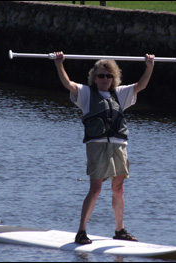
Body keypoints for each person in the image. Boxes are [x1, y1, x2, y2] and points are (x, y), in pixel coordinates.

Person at [54, 51, 155, 245]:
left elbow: (141, 85)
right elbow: (68, 83)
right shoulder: (85, 93)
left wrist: (149, 67)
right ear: (94, 78)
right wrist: (59, 64)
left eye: (109, 76)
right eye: (101, 75)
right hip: (97, 147)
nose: (105, 79)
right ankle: (81, 231)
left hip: (119, 146)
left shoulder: (121, 93)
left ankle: (120, 230)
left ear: (114, 78)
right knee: (96, 189)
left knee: (119, 189)